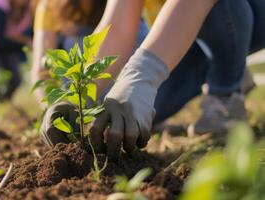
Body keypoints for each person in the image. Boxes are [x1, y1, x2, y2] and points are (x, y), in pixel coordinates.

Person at [40, 0, 265, 159]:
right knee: (139, 115)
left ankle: (225, 91)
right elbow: (118, 28)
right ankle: (224, 66)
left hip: (246, 11)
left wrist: (141, 76)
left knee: (223, 6)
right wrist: (77, 95)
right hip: (183, 36)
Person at [31, 0, 148, 105]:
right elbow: (42, 72)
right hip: (83, 91)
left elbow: (119, 33)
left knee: (139, 31)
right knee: (73, 43)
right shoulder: (50, 6)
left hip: (130, 86)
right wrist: (54, 107)